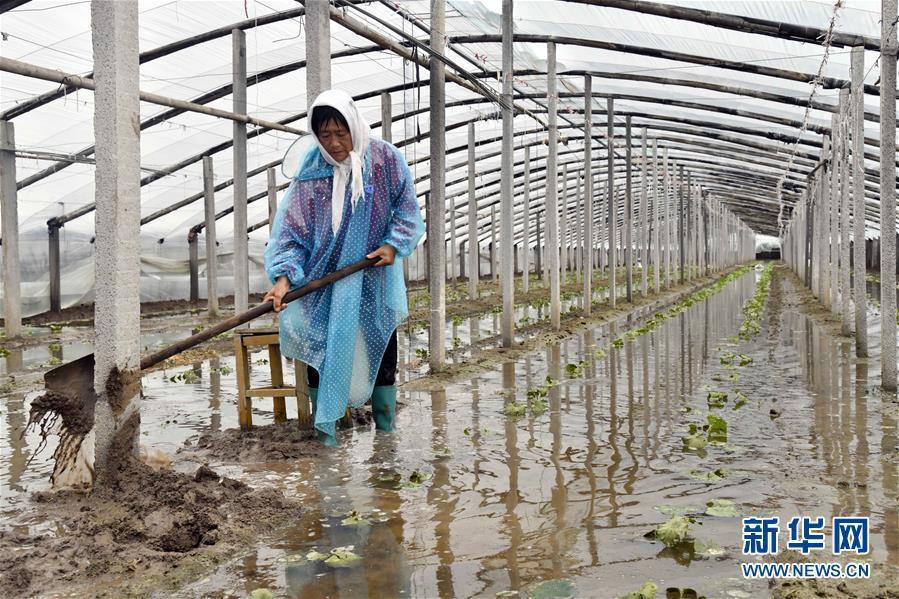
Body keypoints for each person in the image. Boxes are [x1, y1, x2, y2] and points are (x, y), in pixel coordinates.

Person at [264, 89, 425, 445]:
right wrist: (283, 277)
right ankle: (328, 442)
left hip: (372, 277)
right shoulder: (312, 170)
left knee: (381, 356)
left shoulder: (385, 160)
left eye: (341, 133)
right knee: (320, 349)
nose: (334, 143)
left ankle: (386, 439)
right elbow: (292, 232)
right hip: (323, 283)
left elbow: (408, 212)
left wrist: (393, 244)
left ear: (354, 126)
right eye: (325, 135)